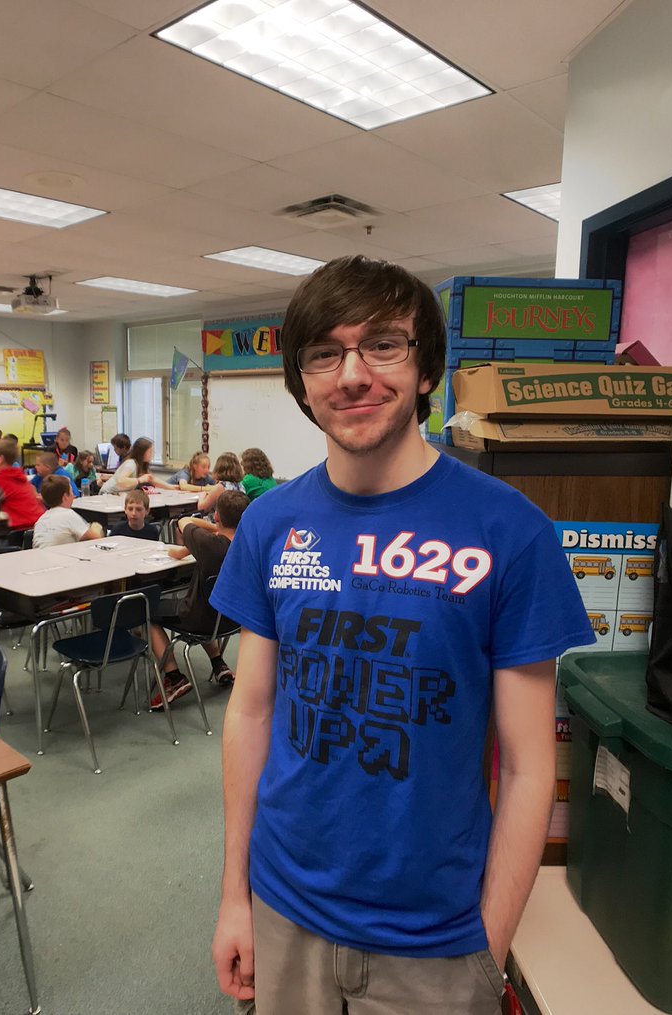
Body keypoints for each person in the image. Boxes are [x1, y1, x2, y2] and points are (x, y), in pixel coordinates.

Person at [209, 255, 594, 1015]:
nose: (352, 374)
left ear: (425, 372)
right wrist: (235, 896)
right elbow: (250, 714)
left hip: (438, 939)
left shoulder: (511, 531)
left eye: (383, 344)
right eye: (325, 352)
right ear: (303, 379)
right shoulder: (270, 524)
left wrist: (490, 941)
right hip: (285, 907)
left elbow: (526, 765)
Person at [147, 490, 248, 707]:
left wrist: (213, 527)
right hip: (234, 620)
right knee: (205, 603)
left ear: (217, 516)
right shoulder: (249, 545)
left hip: (202, 619)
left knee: (148, 612)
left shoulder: (210, 544)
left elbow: (182, 521)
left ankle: (173, 677)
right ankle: (218, 663)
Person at [32, 475, 104, 549]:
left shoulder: (41, 520)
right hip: (62, 558)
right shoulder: (68, 514)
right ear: (65, 496)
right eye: (71, 492)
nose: (73, 496)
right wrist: (96, 525)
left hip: (39, 558)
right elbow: (96, 537)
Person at [196, 452, 244, 518]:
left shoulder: (220, 487)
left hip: (221, 525)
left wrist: (202, 495)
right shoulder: (241, 486)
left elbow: (202, 508)